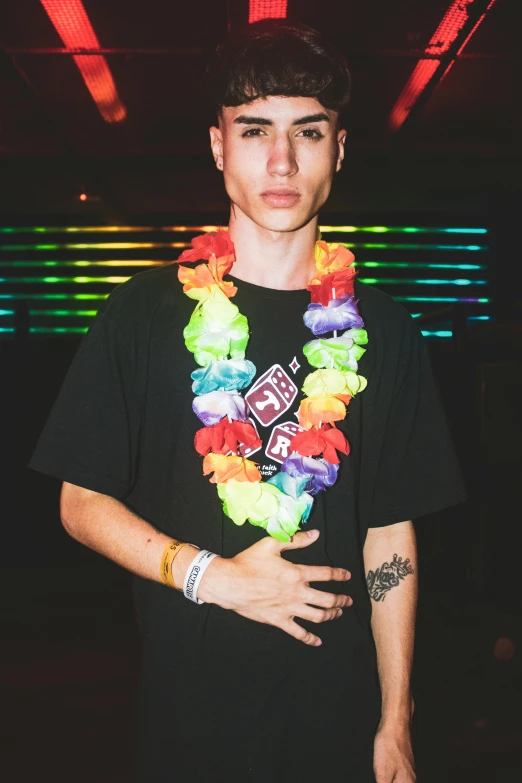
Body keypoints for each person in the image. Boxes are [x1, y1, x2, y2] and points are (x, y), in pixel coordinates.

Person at [28, 19, 466, 783]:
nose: (281, 159)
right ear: (217, 146)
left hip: (340, 724)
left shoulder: (387, 328)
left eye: (308, 130)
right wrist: (212, 575)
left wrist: (396, 719)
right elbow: (79, 501)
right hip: (189, 724)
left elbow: (390, 532)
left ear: (338, 148)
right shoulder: (142, 312)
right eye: (255, 128)